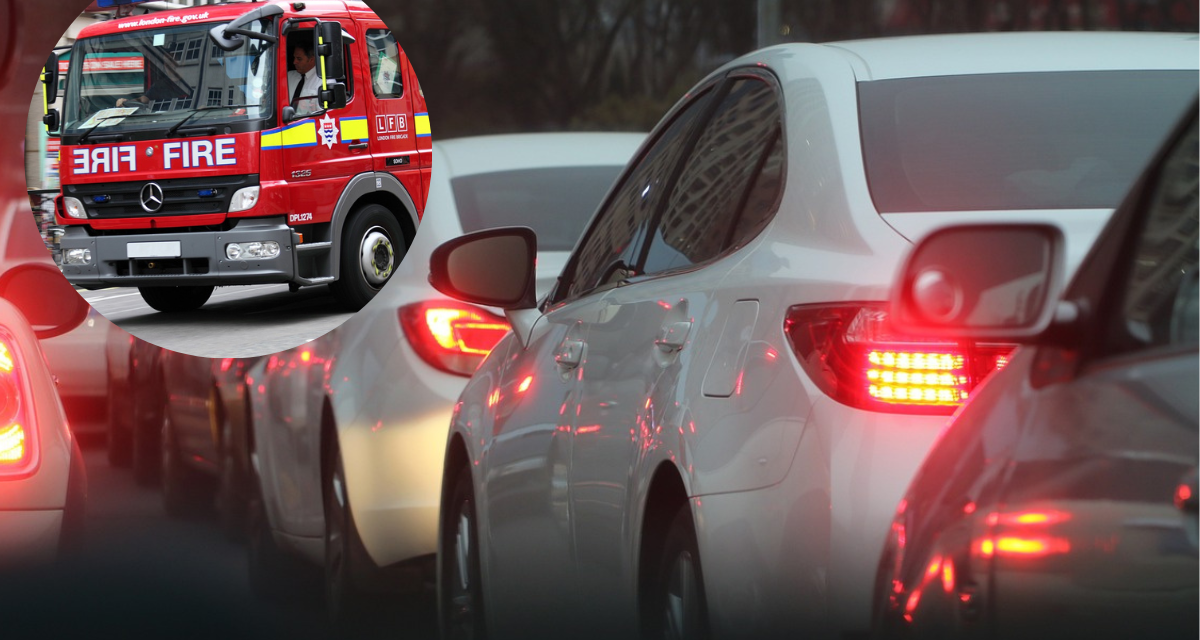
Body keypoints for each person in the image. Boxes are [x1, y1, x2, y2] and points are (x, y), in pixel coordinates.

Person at [287, 40, 322, 113]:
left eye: (299, 59)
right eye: (294, 58)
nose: (294, 62)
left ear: (311, 60)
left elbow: (323, 114)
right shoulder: (288, 77)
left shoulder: (323, 82)